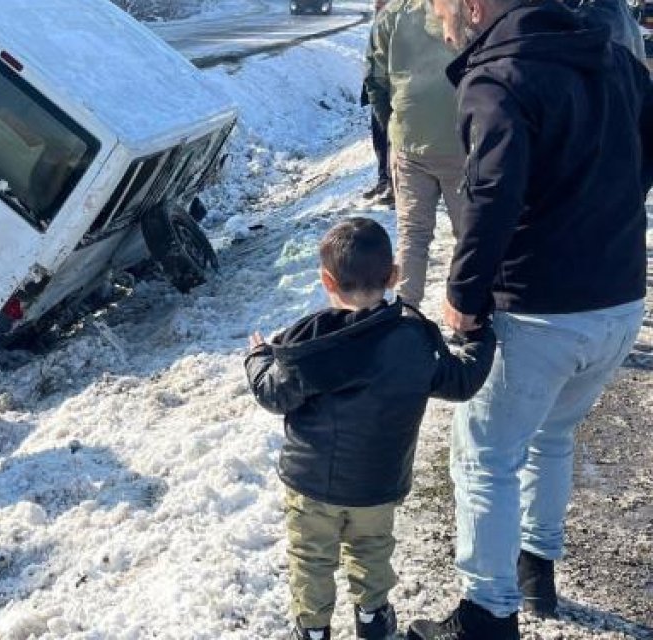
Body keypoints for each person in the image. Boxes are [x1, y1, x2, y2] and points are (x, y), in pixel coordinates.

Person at [409, 0, 652, 635]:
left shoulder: (499, 77)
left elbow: (492, 194)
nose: (442, 25)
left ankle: (486, 615)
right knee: (552, 435)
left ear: (473, 7)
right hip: (619, 299)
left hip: (539, 310)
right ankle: (534, 570)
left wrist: (464, 294)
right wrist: (601, 224)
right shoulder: (614, 57)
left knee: (484, 457)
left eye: (442, 10)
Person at [245, 218, 495, 640]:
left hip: (311, 485)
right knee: (372, 550)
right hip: (378, 484)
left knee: (311, 559)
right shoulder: (415, 339)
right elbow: (462, 382)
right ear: (394, 275)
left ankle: (314, 630)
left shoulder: (310, 343)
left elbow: (273, 395)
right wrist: (480, 339)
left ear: (327, 280)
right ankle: (373, 616)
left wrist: (258, 358)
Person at [364, 0, 465, 307]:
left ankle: (407, 311)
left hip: (410, 142)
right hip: (463, 142)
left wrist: (393, 127)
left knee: (413, 235)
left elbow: (375, 80)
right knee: (470, 234)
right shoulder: (471, 10)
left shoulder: (391, 15)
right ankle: (468, 309)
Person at [361, 0, 395, 206]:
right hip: (377, 90)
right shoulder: (378, 22)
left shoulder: (397, 22)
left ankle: (393, 185)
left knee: (392, 140)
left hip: (390, 91)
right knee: (380, 140)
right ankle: (383, 180)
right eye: (376, 6)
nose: (377, 6)